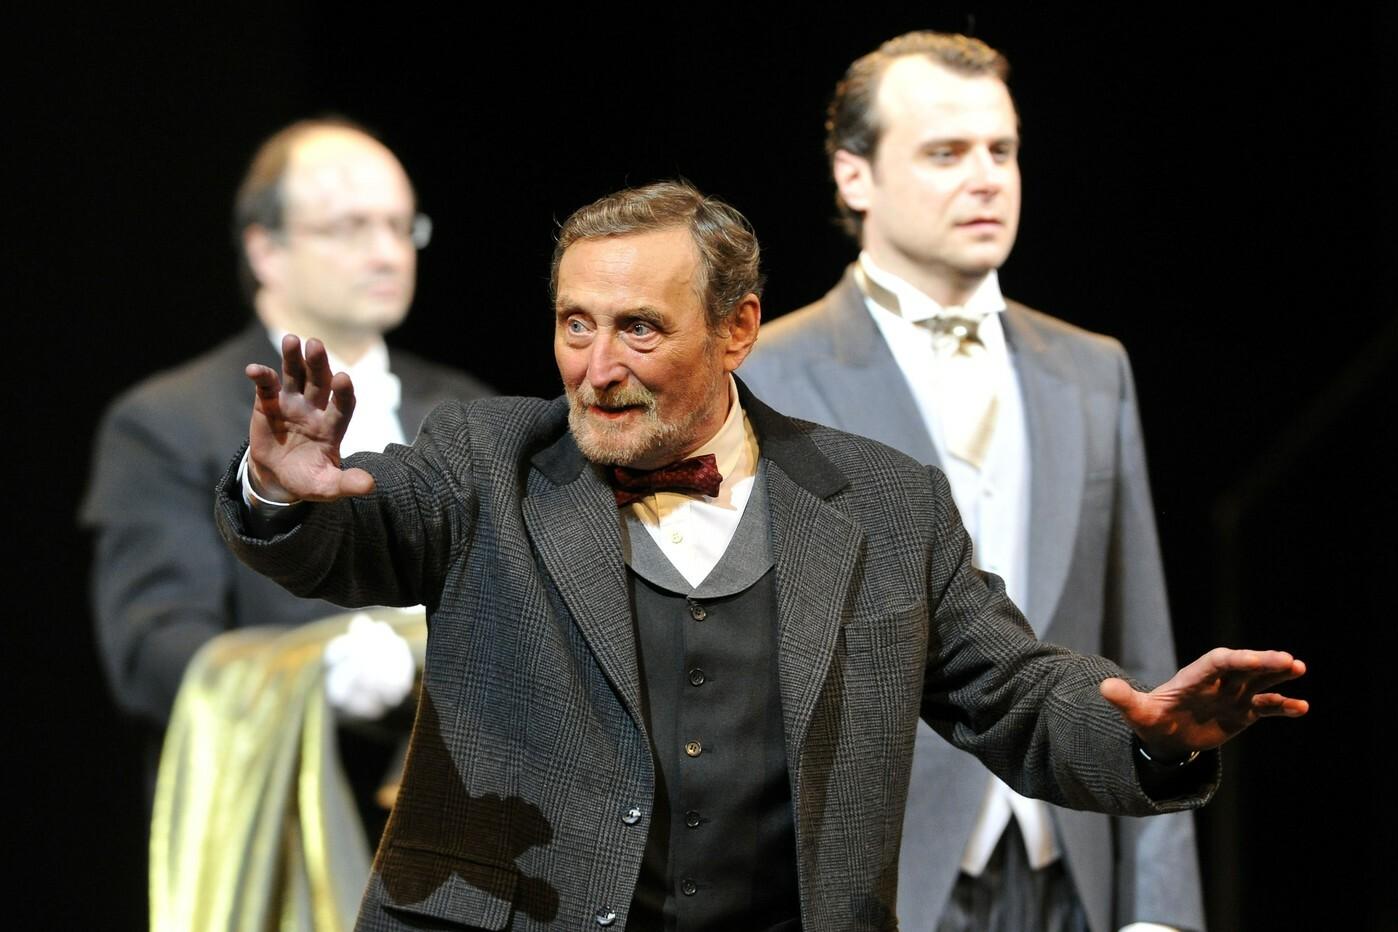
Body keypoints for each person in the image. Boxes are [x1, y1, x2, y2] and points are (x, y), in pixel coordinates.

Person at [215, 181, 1305, 932]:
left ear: (736, 329)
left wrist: (1145, 737)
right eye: (575, 324)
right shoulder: (483, 460)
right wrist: (281, 491)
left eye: (638, 328)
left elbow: (1012, 692)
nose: (595, 367)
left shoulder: (884, 503)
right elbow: (353, 537)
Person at [740, 32, 1202, 931]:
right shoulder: (769, 376)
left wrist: (1161, 910)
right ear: (855, 176)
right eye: (946, 153)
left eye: (1002, 150)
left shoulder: (1091, 369)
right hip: (875, 882)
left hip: (1073, 868)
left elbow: (1143, 648)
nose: (987, 178)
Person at [81, 117, 493, 820]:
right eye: (351, 227)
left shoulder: (467, 410)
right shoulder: (168, 420)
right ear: (265, 249)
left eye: (401, 226)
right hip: (284, 814)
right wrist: (315, 679)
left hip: (472, 809)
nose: (387, 253)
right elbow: (153, 654)